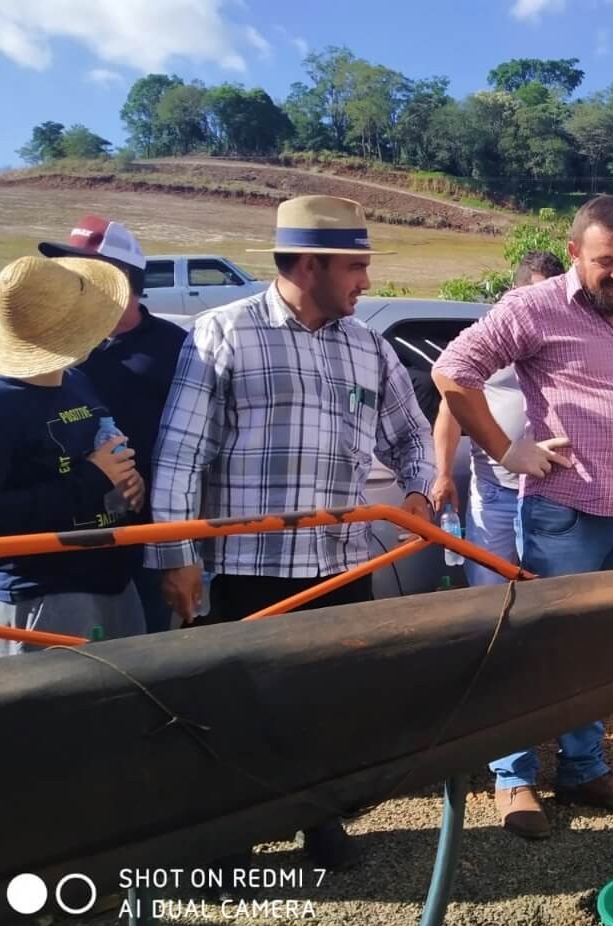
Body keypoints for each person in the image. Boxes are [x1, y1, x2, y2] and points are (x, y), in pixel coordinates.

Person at [146, 195, 434, 869]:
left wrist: (419, 490)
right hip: (246, 570)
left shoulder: (370, 348)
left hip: (339, 567)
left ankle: (319, 819)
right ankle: (225, 840)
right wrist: (177, 556)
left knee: (331, 707)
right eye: (355, 266)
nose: (366, 281)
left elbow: (412, 435)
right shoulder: (224, 332)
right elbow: (182, 453)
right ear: (309, 263)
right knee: (231, 712)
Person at [433, 195, 613, 841]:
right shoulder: (533, 308)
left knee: (595, 653)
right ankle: (513, 778)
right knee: (536, 649)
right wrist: (507, 450)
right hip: (567, 514)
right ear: (573, 255)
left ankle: (584, 769)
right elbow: (452, 371)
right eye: (605, 262)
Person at [0, 257, 145, 653]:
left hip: (109, 575)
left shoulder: (76, 379)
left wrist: (129, 483)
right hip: (41, 591)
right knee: (60, 714)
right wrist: (93, 480)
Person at [39, 215, 187, 634]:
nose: (71, 280)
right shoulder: (56, 343)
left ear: (121, 277)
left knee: (148, 655)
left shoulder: (176, 346)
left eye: (83, 269)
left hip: (147, 537)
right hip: (70, 535)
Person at [429, 251, 565, 587]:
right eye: (534, 298)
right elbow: (451, 407)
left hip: (554, 494)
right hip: (496, 495)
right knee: (488, 599)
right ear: (512, 296)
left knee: (550, 598)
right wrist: (444, 473)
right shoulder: (488, 343)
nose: (542, 310)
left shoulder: (564, 342)